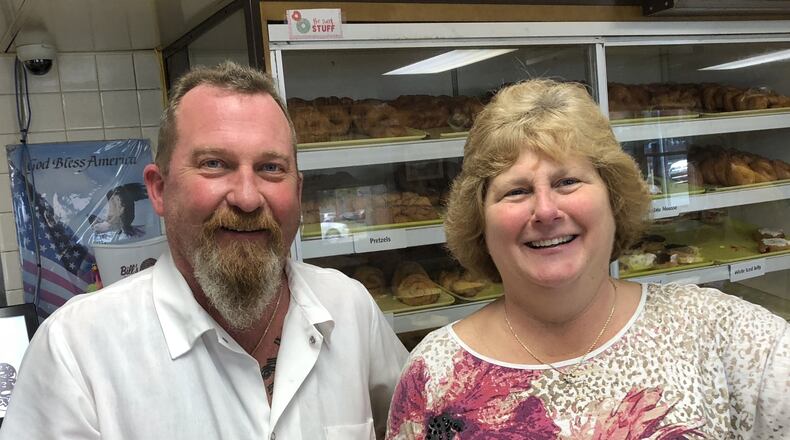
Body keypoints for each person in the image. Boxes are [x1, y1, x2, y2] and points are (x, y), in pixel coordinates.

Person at [0, 61, 408, 440]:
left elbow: (418, 420)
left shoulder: (350, 309)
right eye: (214, 164)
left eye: (271, 168)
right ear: (159, 189)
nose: (248, 198)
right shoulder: (77, 351)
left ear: (297, 191)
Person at [386, 79, 789, 439]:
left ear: (614, 201)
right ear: (480, 222)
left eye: (567, 181)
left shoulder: (730, 338)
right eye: (516, 191)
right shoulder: (433, 375)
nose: (545, 211)